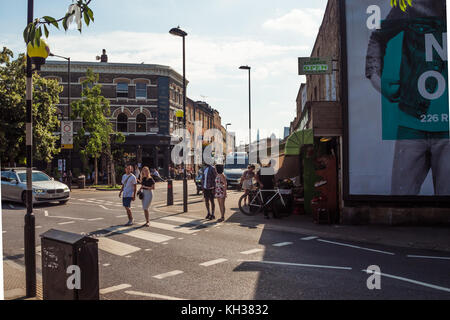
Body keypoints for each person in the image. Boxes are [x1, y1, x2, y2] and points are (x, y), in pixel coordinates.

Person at [366, 0, 450, 195]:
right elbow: (378, 37)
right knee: (399, 198)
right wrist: (377, 80)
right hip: (412, 120)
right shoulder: (412, 4)